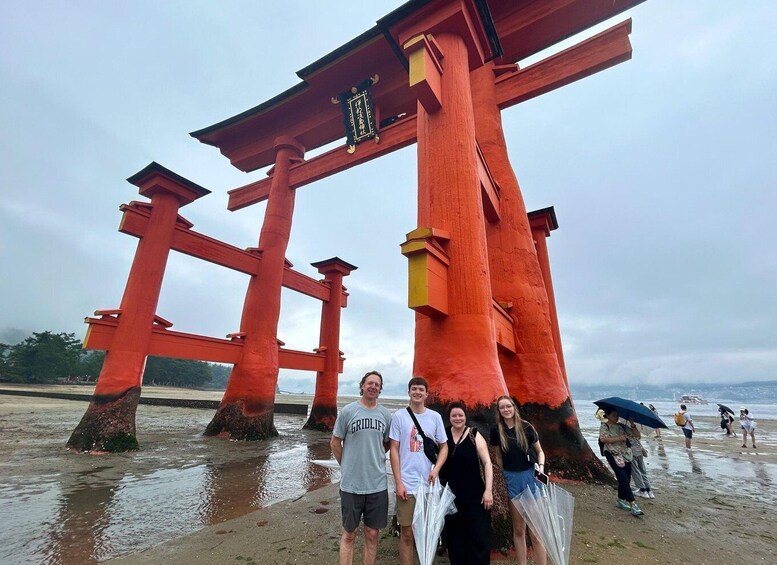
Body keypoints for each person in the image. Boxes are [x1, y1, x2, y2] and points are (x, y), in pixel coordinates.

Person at [330, 370, 392, 565]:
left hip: (377, 484)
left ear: (380, 389)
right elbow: (335, 442)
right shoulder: (348, 411)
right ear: (362, 386)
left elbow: (387, 443)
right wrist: (347, 465)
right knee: (349, 534)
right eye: (370, 383)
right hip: (351, 485)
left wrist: (372, 458)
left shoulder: (385, 415)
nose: (373, 386)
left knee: (372, 533)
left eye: (377, 384)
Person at [389, 376, 449, 565]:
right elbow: (394, 450)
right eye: (414, 389)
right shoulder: (399, 416)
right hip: (407, 484)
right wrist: (398, 483)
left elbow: (444, 446)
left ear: (426, 394)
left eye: (421, 390)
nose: (417, 392)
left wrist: (437, 469)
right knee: (407, 533)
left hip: (429, 484)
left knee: (428, 532)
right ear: (409, 392)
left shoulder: (435, 417)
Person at [490, 395, 547, 565]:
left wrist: (541, 467)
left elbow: (540, 451)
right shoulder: (496, 430)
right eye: (502, 407)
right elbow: (498, 456)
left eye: (508, 406)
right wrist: (502, 476)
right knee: (519, 529)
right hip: (511, 479)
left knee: (536, 531)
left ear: (514, 407)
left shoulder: (527, 427)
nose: (506, 410)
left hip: (530, 477)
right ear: (499, 411)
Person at [438, 401, 493, 565]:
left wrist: (488, 490)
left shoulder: (474, 434)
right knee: (456, 539)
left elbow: (487, 463)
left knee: (479, 538)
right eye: (454, 415)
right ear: (449, 417)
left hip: (476, 496)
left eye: (460, 415)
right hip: (452, 497)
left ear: (465, 416)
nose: (457, 418)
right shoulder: (444, 436)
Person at [599, 407, 644, 517]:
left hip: (625, 454)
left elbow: (637, 435)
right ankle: (633, 503)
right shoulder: (605, 426)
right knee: (621, 476)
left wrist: (632, 423)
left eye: (617, 415)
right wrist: (619, 438)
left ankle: (620, 499)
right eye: (614, 415)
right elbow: (603, 439)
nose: (616, 417)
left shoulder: (622, 426)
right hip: (612, 453)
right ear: (608, 416)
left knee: (627, 478)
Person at [628, 421, 654, 499]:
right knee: (642, 471)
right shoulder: (634, 425)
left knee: (636, 471)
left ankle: (642, 490)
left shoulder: (624, 426)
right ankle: (649, 490)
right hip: (639, 450)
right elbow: (638, 436)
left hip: (632, 452)